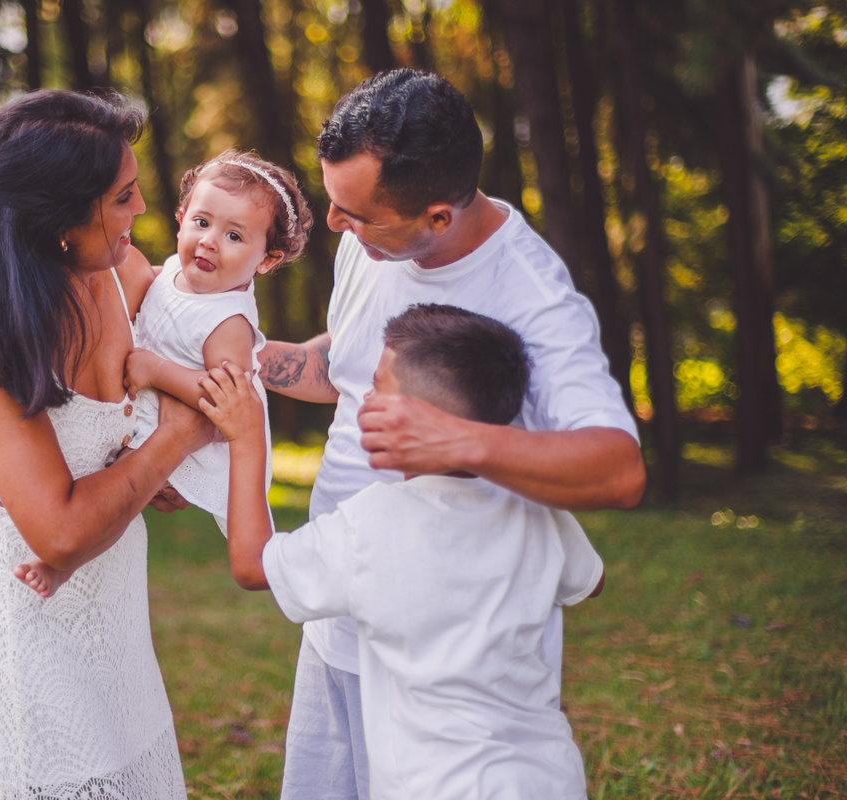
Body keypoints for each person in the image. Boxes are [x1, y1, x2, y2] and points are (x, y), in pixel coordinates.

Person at [257, 68, 646, 798]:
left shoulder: (531, 298)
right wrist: (236, 368)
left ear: (438, 216)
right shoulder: (367, 241)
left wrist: (459, 441)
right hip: (341, 616)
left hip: (442, 662)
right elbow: (340, 368)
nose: (335, 226)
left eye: (356, 214)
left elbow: (619, 470)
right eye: (333, 204)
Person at [199, 303, 606, 799]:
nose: (363, 398)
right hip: (546, 778)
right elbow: (591, 580)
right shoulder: (535, 509)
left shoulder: (371, 522)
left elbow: (251, 565)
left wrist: (246, 441)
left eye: (377, 387)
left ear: (421, 420)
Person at [0, 90, 214, 799]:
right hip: (27, 627)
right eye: (122, 197)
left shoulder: (121, 272)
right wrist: (176, 437)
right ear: (59, 220)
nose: (142, 210)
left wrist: (144, 464)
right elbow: (56, 531)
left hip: (113, 605)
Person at [15, 150, 311, 578]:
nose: (209, 241)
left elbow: (225, 401)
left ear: (267, 259)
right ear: (181, 217)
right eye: (202, 222)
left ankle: (60, 562)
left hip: (193, 433)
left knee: (116, 481)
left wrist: (154, 370)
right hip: (151, 409)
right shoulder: (174, 271)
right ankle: (64, 553)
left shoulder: (228, 322)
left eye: (234, 236)